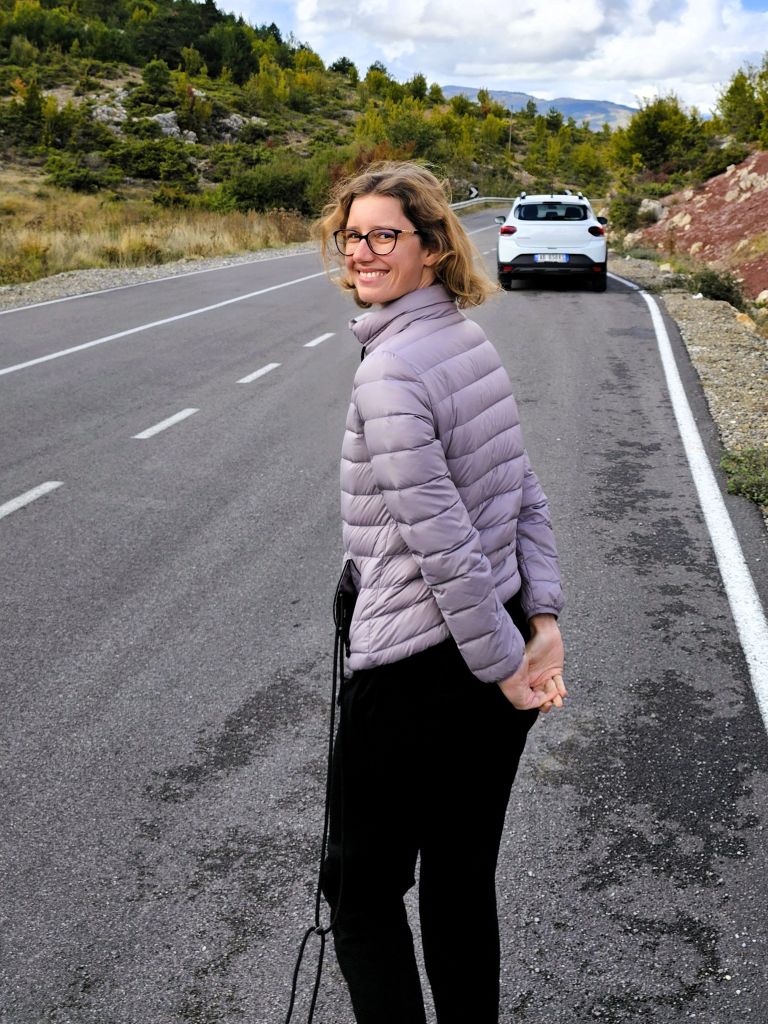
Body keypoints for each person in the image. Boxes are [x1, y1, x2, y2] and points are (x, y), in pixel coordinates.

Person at [316, 162, 567, 1024]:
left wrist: (508, 665)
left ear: (430, 250)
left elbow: (443, 543)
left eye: (386, 234)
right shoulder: (465, 341)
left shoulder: (389, 374)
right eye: (353, 234)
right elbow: (522, 490)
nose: (364, 251)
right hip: (493, 646)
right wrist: (541, 621)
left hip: (419, 673)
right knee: (461, 888)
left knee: (360, 893)